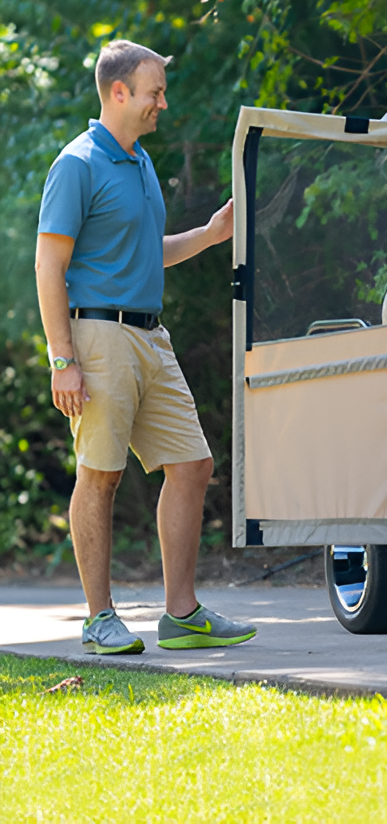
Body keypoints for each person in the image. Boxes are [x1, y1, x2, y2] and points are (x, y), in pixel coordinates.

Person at [35, 39, 255, 655]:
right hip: (97, 336)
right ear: (119, 92)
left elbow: (145, 252)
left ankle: (181, 615)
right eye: (155, 91)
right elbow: (49, 265)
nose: (164, 102)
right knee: (99, 477)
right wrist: (63, 359)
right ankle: (99, 618)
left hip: (150, 336)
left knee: (193, 464)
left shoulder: (139, 164)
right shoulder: (77, 164)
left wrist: (211, 235)